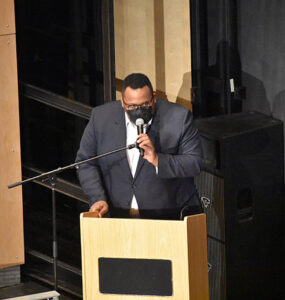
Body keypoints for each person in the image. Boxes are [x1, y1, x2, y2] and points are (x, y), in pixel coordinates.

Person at [76, 73, 203, 219]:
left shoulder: (179, 117)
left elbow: (195, 163)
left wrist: (158, 160)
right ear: (122, 103)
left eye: (145, 104)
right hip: (118, 217)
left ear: (154, 98)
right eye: (132, 106)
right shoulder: (101, 117)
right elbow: (86, 162)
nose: (139, 110)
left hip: (167, 217)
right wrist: (97, 197)